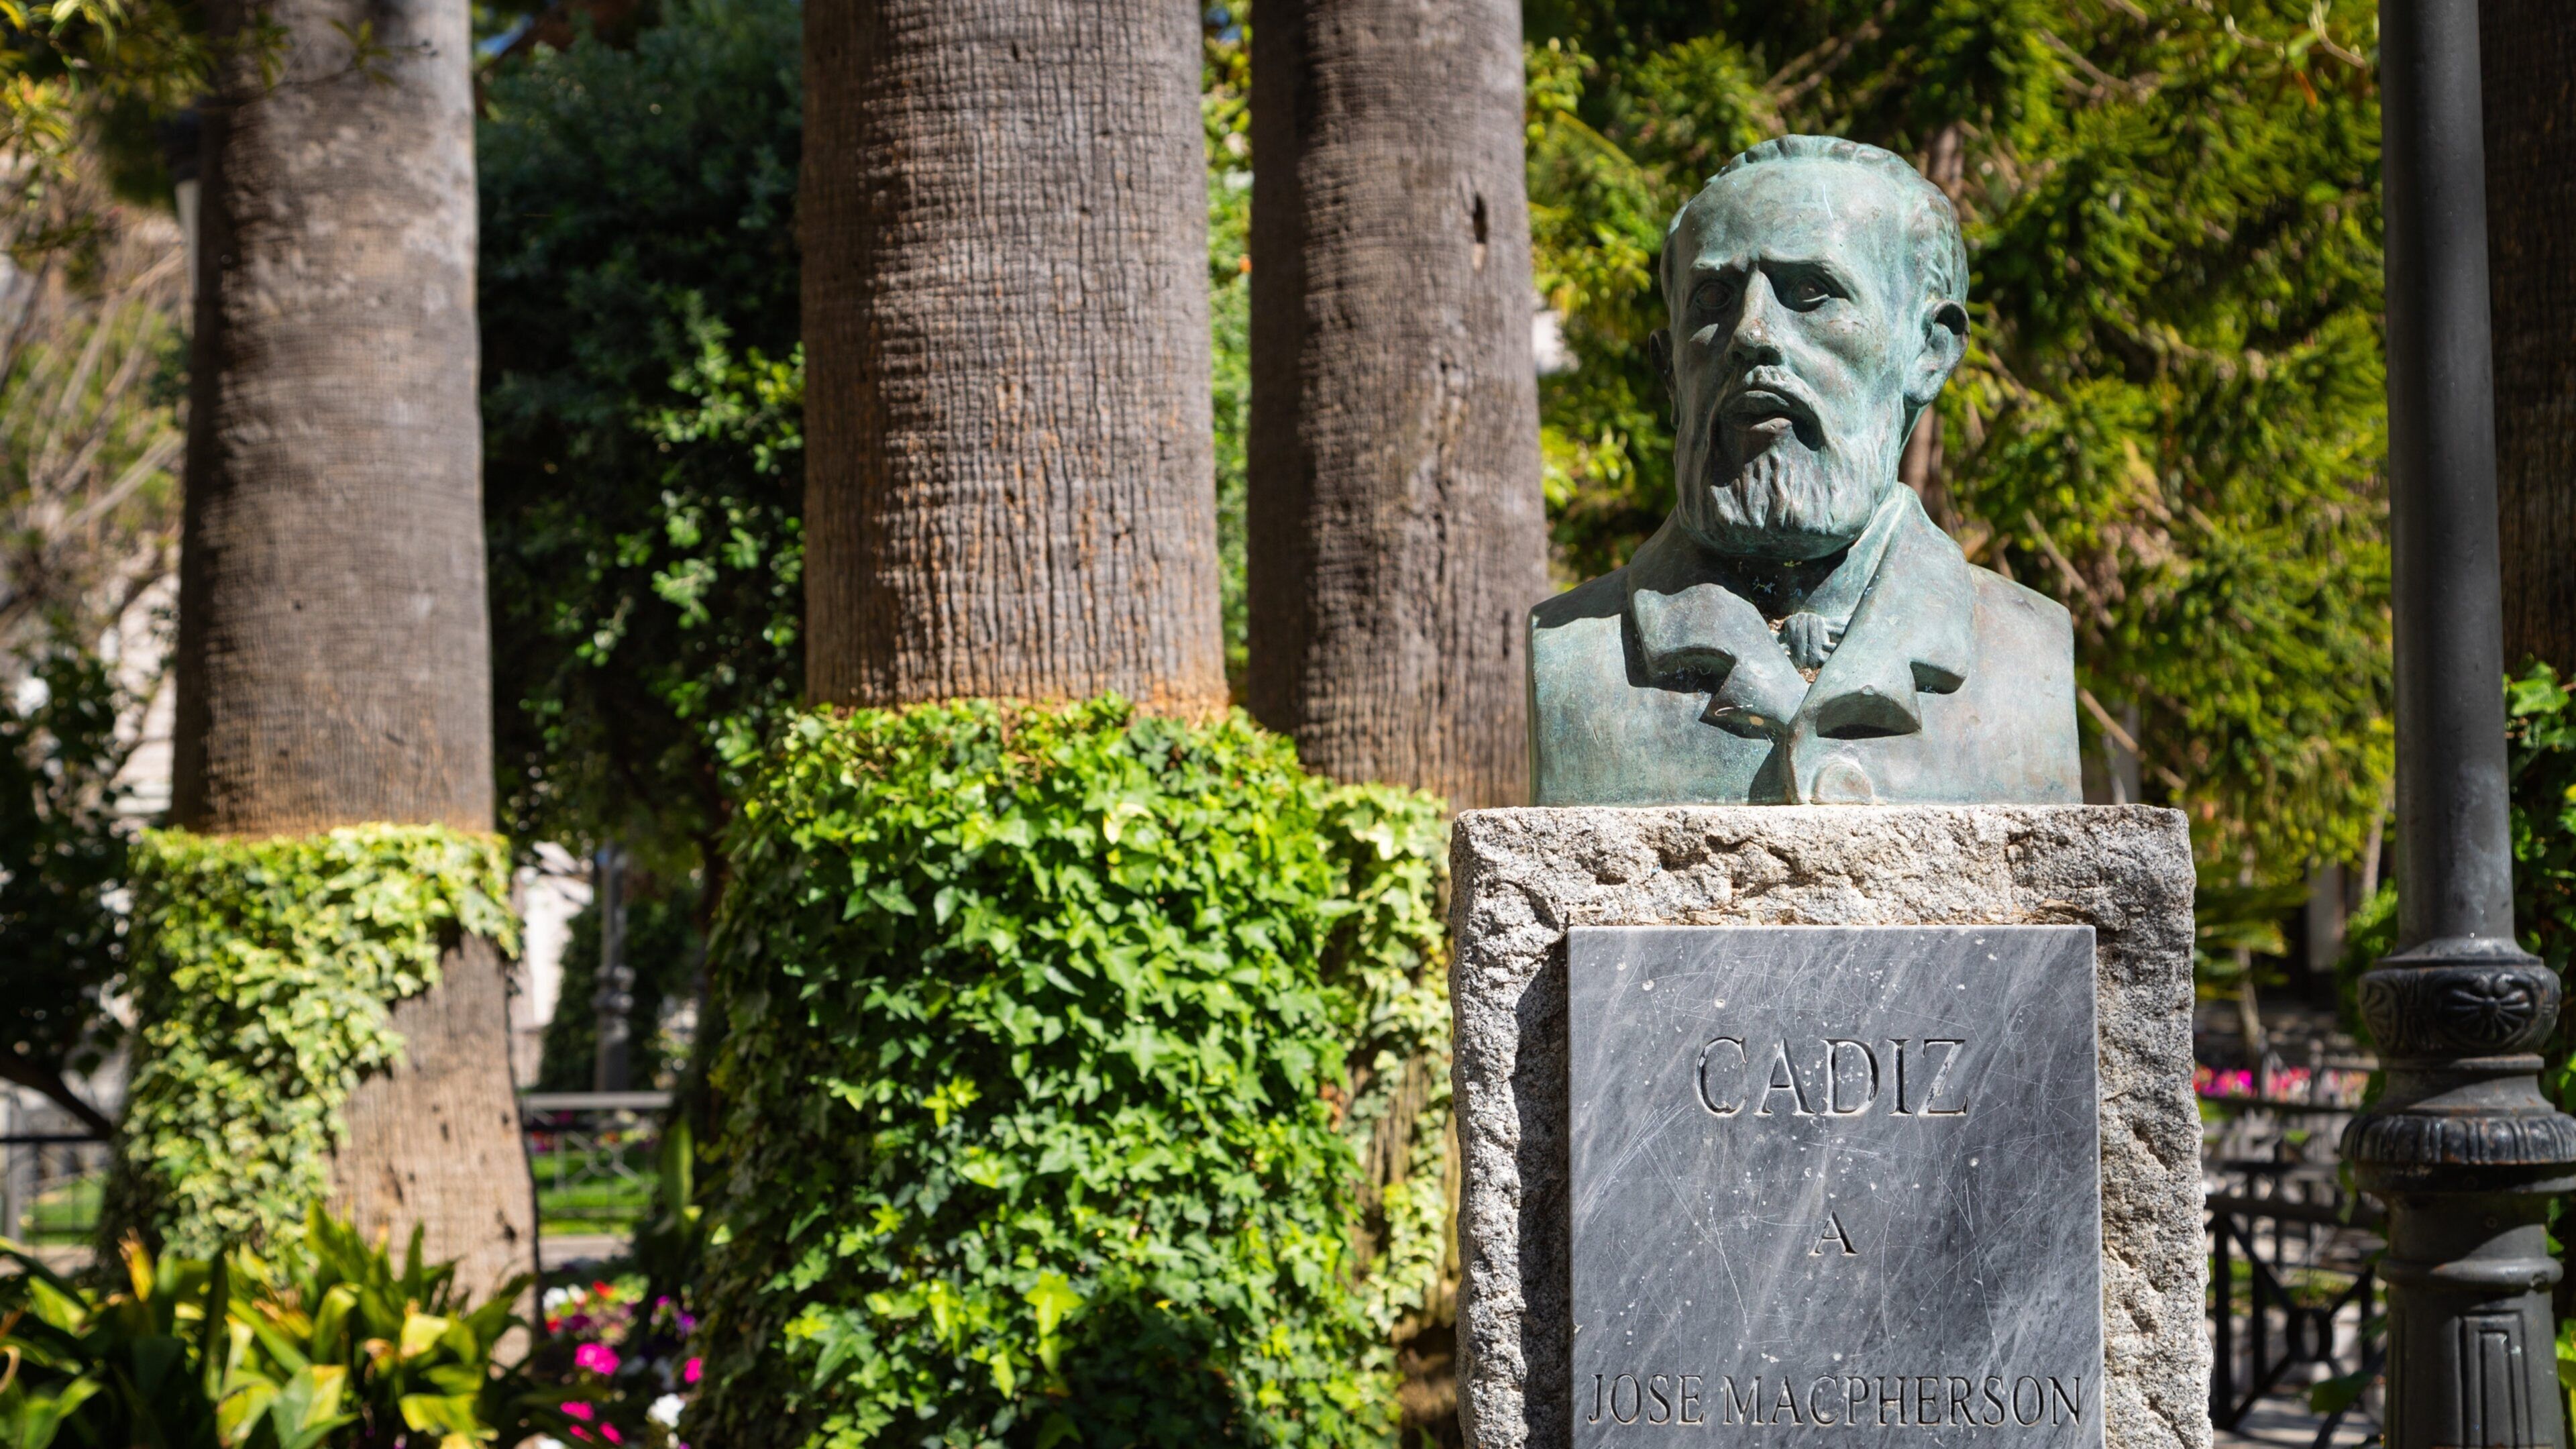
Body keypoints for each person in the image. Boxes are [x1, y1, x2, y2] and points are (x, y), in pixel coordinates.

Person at [1528, 135, 2080, 806]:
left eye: (1812, 291)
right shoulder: (1573, 653)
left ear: (1929, 351)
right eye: (1712, 299)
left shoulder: (2029, 650)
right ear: (1669, 371)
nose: (1752, 332)